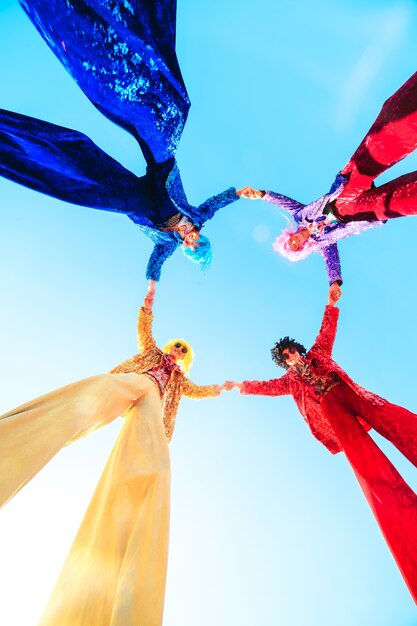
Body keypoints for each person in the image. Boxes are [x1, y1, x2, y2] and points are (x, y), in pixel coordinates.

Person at [0, 281, 227, 625]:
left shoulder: (179, 381)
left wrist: (217, 390)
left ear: (187, 358)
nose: (178, 351)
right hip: (134, 382)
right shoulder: (153, 353)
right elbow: (145, 332)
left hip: (152, 400)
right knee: (99, 391)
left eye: (184, 351)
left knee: (155, 458)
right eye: (177, 346)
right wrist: (147, 306)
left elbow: (195, 390)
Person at [0, 0, 242, 281]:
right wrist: (252, 194)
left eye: (190, 246)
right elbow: (223, 199)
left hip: (138, 201)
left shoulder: (166, 243)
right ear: (201, 236)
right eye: (197, 241)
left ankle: (20, 145)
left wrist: (149, 298)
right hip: (162, 169)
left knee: (91, 184)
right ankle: (117, 48)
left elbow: (155, 267)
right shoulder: (199, 215)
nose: (190, 239)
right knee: (167, 118)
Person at [227, 286, 417, 603]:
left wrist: (331, 303)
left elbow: (326, 329)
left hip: (348, 394)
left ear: (298, 350)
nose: (290, 356)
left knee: (393, 419)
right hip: (332, 413)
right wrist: (241, 386)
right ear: (283, 362)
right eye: (284, 356)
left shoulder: (318, 354)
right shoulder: (289, 382)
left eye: (291, 351)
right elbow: (266, 387)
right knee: (366, 466)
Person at [240, 71, 417, 292]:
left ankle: (410, 111)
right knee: (400, 202)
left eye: (290, 242)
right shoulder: (323, 244)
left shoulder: (300, 216)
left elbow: (285, 202)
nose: (295, 243)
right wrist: (334, 282)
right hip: (357, 214)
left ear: (289, 235)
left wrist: (262, 194)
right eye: (295, 248)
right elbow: (331, 261)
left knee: (377, 148)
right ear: (302, 249)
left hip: (344, 194)